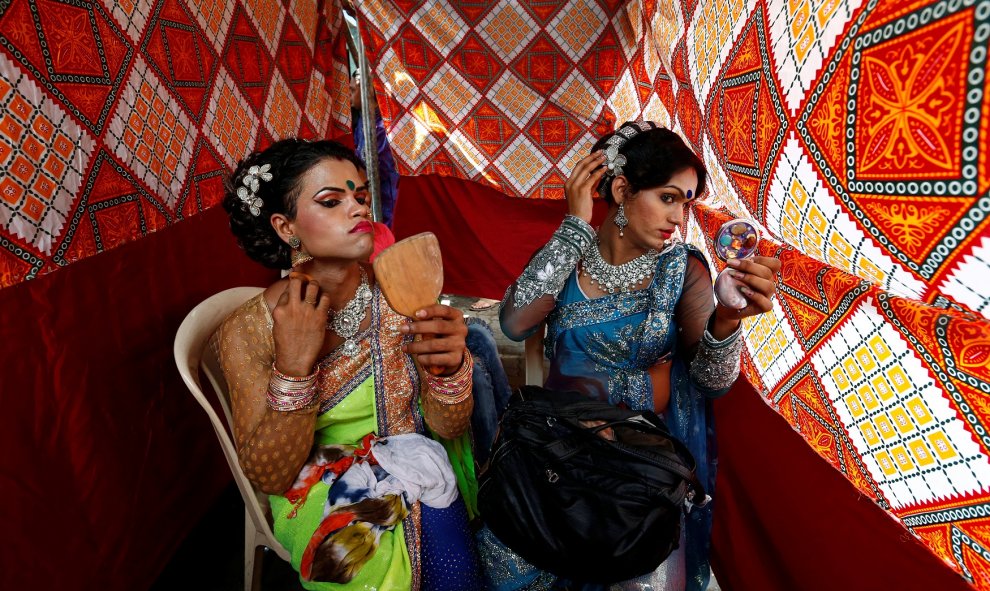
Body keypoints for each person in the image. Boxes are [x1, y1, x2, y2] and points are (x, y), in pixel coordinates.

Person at [488, 122, 782, 590]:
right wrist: (573, 228)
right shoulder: (570, 257)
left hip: (633, 479)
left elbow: (711, 381)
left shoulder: (681, 270)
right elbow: (514, 323)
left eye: (686, 202)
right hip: (555, 460)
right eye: (669, 198)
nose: (679, 217)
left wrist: (726, 318)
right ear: (622, 189)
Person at [216, 138, 483, 590]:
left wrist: (450, 370)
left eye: (360, 196)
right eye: (331, 201)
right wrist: (295, 365)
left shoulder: (401, 293)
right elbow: (270, 474)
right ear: (286, 227)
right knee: (355, 564)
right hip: (314, 483)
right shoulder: (249, 328)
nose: (359, 209)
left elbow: (450, 427)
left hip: (416, 458)